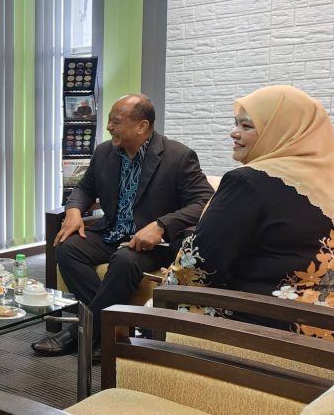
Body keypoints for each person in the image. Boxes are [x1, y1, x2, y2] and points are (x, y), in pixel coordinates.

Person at [165, 85, 334, 345]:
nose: (234, 133)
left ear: (280, 131)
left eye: (246, 126)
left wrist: (168, 280)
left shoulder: (248, 182)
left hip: (284, 331)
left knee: (159, 305)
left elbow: (198, 265)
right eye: (236, 124)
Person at [33, 94, 215, 358]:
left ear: (142, 126)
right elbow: (84, 188)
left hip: (155, 244)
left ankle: (80, 332)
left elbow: (205, 202)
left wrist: (161, 225)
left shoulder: (178, 156)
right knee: (67, 247)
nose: (109, 127)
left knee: (124, 260)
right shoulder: (104, 152)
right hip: (112, 231)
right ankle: (115, 329)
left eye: (115, 122)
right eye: (109, 120)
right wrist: (73, 210)